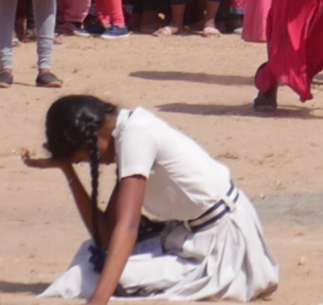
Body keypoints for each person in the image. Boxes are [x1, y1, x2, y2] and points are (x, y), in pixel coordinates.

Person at [29, 95, 278, 303]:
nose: (88, 163)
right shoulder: (128, 131)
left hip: (223, 245)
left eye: (80, 158)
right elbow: (106, 234)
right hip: (193, 236)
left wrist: (98, 300)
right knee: (93, 255)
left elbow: (127, 227)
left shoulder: (136, 137)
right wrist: (67, 170)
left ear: (93, 140)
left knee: (93, 275)